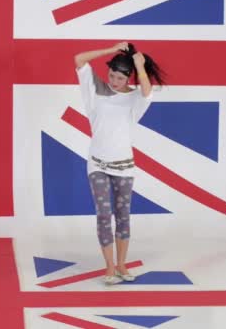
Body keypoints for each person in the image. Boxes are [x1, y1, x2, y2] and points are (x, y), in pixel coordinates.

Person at [74, 42, 165, 285]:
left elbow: (147, 91)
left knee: (123, 215)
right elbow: (79, 58)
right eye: (111, 75)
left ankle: (123, 264)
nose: (113, 80)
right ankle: (110, 266)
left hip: (124, 166)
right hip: (97, 164)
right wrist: (110, 49)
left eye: (119, 77)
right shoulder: (95, 90)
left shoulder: (135, 99)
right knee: (104, 214)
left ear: (128, 78)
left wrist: (139, 65)